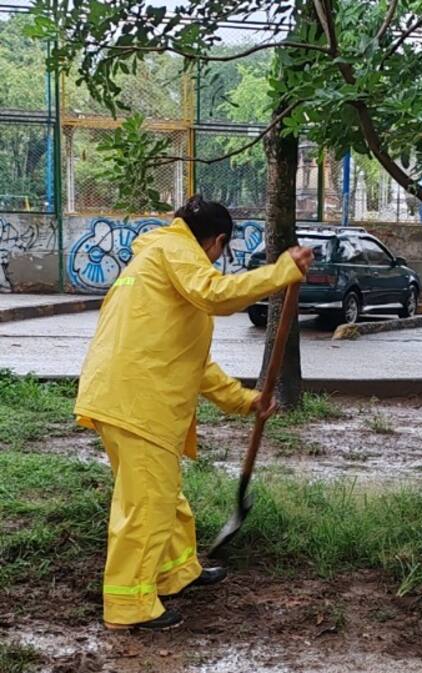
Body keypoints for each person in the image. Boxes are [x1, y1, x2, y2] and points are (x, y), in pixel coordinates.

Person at [74, 196, 314, 632]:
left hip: (123, 396)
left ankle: (177, 571)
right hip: (137, 401)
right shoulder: (179, 253)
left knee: (162, 495)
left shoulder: (158, 259)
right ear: (217, 241)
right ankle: (130, 606)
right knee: (146, 506)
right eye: (222, 251)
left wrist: (246, 399)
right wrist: (281, 273)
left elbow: (193, 362)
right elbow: (217, 294)